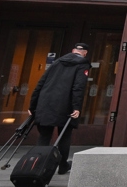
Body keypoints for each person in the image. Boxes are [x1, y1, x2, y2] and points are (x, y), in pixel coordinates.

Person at [27, 42, 90, 175]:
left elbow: (41, 83)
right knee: (64, 136)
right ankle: (62, 165)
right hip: (65, 105)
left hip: (46, 103)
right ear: (85, 53)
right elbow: (78, 87)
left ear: (73, 51)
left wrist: (32, 106)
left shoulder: (57, 62)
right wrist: (76, 107)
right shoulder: (82, 64)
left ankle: (37, 166)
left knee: (44, 136)